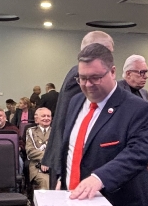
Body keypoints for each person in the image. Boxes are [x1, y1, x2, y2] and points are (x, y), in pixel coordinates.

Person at [59, 43, 148, 206]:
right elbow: (71, 146)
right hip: (73, 205)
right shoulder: (76, 102)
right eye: (82, 78)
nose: (88, 84)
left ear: (112, 72)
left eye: (95, 77)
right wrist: (63, 176)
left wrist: (99, 178)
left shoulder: (138, 109)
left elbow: (139, 153)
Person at [42, 31, 114, 188]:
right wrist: (62, 173)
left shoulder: (76, 72)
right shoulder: (83, 77)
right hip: (68, 160)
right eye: (108, 51)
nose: (111, 57)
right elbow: (69, 121)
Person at [26, 106, 52, 191]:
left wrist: (48, 161)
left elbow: (58, 151)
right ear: (36, 119)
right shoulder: (31, 131)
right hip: (37, 166)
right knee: (45, 181)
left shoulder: (56, 131)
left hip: (54, 166)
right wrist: (45, 159)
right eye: (43, 116)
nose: (46, 118)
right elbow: (30, 151)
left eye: (48, 116)